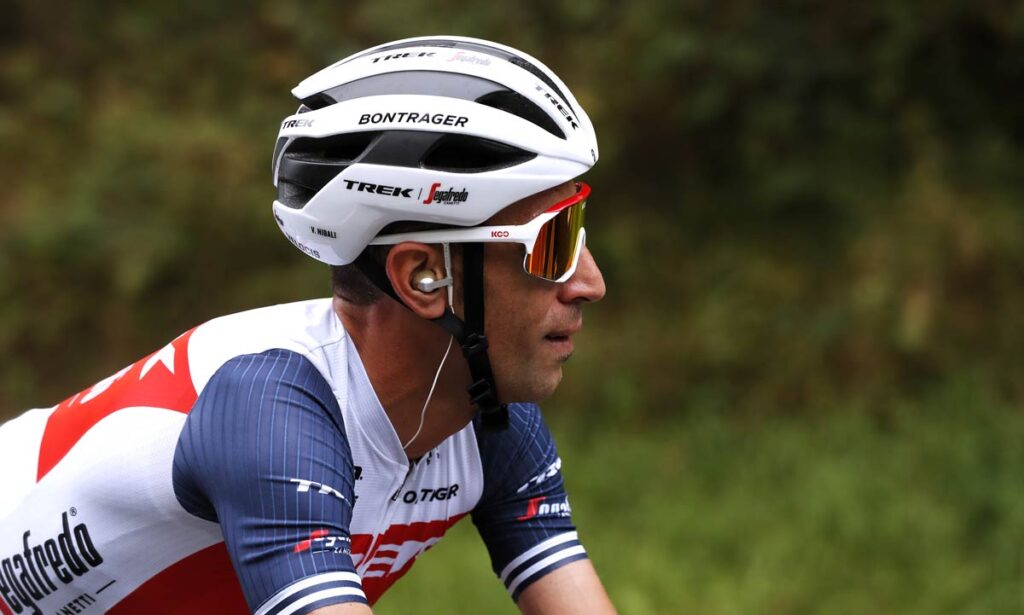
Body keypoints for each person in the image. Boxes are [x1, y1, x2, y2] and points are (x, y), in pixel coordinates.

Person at [0, 35, 615, 615]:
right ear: (424, 276)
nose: (590, 283)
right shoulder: (269, 411)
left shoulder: (483, 414)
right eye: (554, 244)